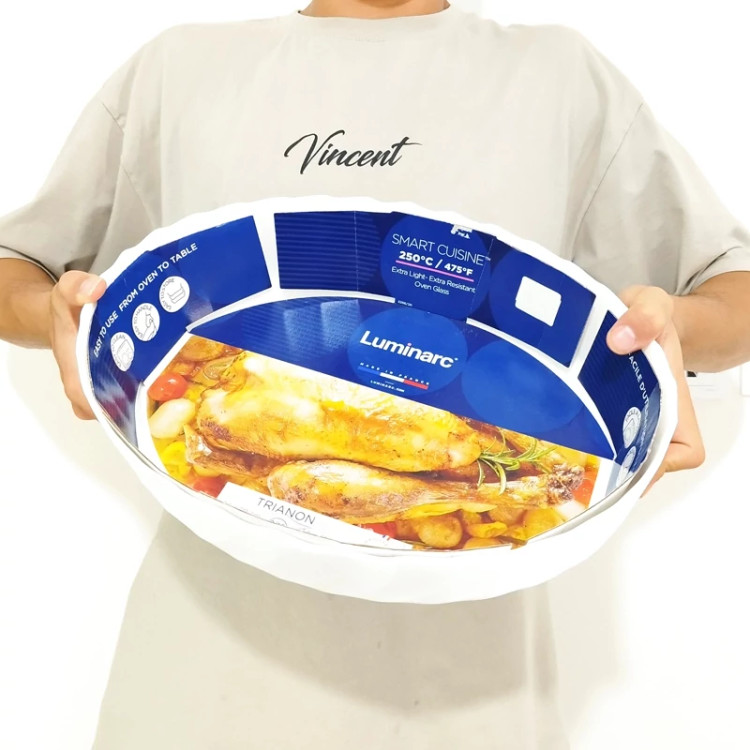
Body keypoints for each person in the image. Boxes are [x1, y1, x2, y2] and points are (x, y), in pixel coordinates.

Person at [1, 1, 748, 748]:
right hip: (202, 670)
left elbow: (731, 288)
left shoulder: (562, 78)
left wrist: (672, 329)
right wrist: (58, 314)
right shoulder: (179, 69)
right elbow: (20, 266)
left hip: (472, 679)